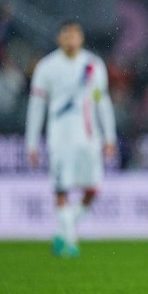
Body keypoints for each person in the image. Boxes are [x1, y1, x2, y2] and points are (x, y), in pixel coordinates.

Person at [25, 20, 117, 258]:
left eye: (75, 34)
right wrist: (31, 142)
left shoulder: (93, 65)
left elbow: (102, 102)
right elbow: (36, 107)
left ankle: (62, 230)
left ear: (81, 38)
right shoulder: (47, 67)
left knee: (94, 189)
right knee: (61, 189)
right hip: (59, 139)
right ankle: (71, 241)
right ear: (59, 39)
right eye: (66, 34)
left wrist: (110, 136)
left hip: (88, 138)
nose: (70, 39)